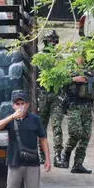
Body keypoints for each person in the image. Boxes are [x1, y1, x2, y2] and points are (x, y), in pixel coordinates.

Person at [58, 54, 94, 174]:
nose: (83, 59)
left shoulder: (90, 71)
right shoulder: (68, 70)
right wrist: (74, 79)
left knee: (86, 135)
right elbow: (58, 82)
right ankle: (66, 153)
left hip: (87, 107)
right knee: (76, 133)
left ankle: (78, 164)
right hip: (73, 106)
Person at [36, 30, 65, 167]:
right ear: (45, 41)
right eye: (50, 40)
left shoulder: (59, 58)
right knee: (41, 127)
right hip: (42, 95)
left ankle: (58, 155)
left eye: (55, 41)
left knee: (57, 126)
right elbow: (33, 78)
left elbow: (65, 77)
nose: (53, 43)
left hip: (56, 95)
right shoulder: (39, 57)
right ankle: (41, 154)